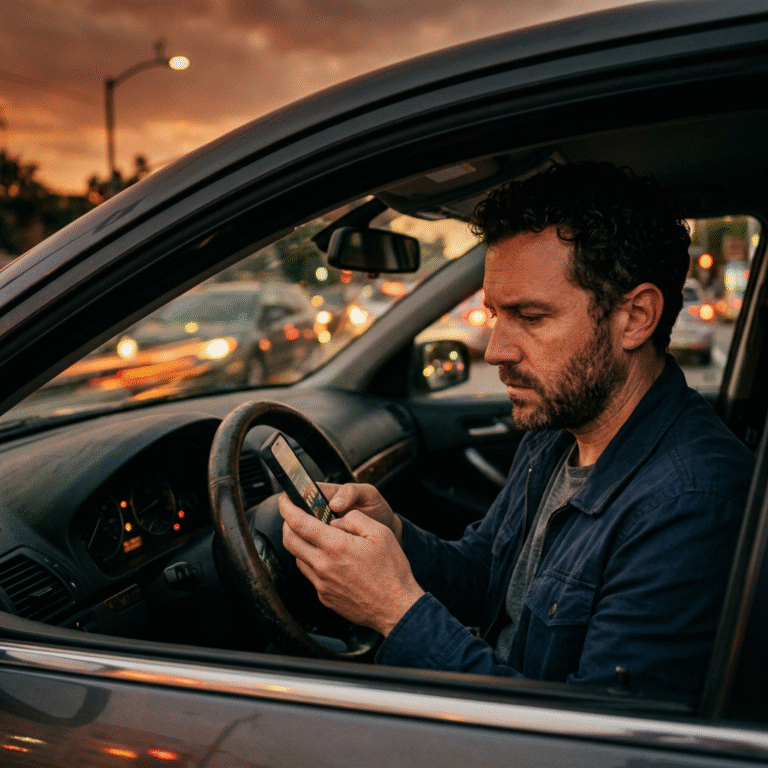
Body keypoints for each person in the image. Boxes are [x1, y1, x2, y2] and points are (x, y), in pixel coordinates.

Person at [279, 161, 755, 698]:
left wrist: (395, 611)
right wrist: (396, 536)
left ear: (636, 317)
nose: (495, 351)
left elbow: (589, 747)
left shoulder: (690, 506)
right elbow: (487, 575)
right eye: (495, 314)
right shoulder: (557, 432)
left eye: (530, 317)